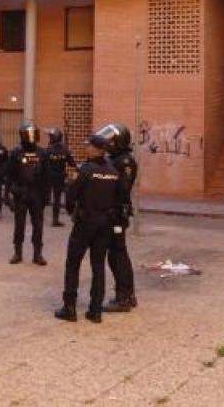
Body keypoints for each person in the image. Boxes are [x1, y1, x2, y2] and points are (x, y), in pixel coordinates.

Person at [55, 132, 127, 324]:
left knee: (73, 262)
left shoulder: (86, 171)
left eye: (89, 146)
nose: (87, 148)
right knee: (98, 265)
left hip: (85, 222)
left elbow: (71, 195)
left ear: (96, 149)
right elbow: (121, 198)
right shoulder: (114, 172)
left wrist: (72, 211)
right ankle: (95, 311)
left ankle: (69, 307)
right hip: (105, 223)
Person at [95, 123, 139, 313]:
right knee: (117, 254)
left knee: (117, 255)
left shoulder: (125, 162)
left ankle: (124, 297)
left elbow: (121, 189)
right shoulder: (115, 159)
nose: (107, 143)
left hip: (117, 214)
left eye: (111, 140)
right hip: (112, 212)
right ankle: (128, 294)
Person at [6, 122, 48, 265]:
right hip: (21, 193)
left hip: (37, 193)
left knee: (38, 225)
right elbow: (9, 175)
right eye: (28, 134)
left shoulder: (42, 153)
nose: (31, 137)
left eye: (33, 134)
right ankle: (17, 253)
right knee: (19, 225)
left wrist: (46, 195)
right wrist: (8, 194)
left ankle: (38, 254)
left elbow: (47, 175)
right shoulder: (16, 152)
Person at [45, 128, 76, 227]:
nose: (50, 138)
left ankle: (39, 217)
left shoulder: (48, 149)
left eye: (51, 137)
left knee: (44, 197)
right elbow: (72, 163)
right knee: (57, 199)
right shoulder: (65, 149)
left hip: (48, 176)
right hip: (59, 176)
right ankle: (55, 219)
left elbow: (43, 163)